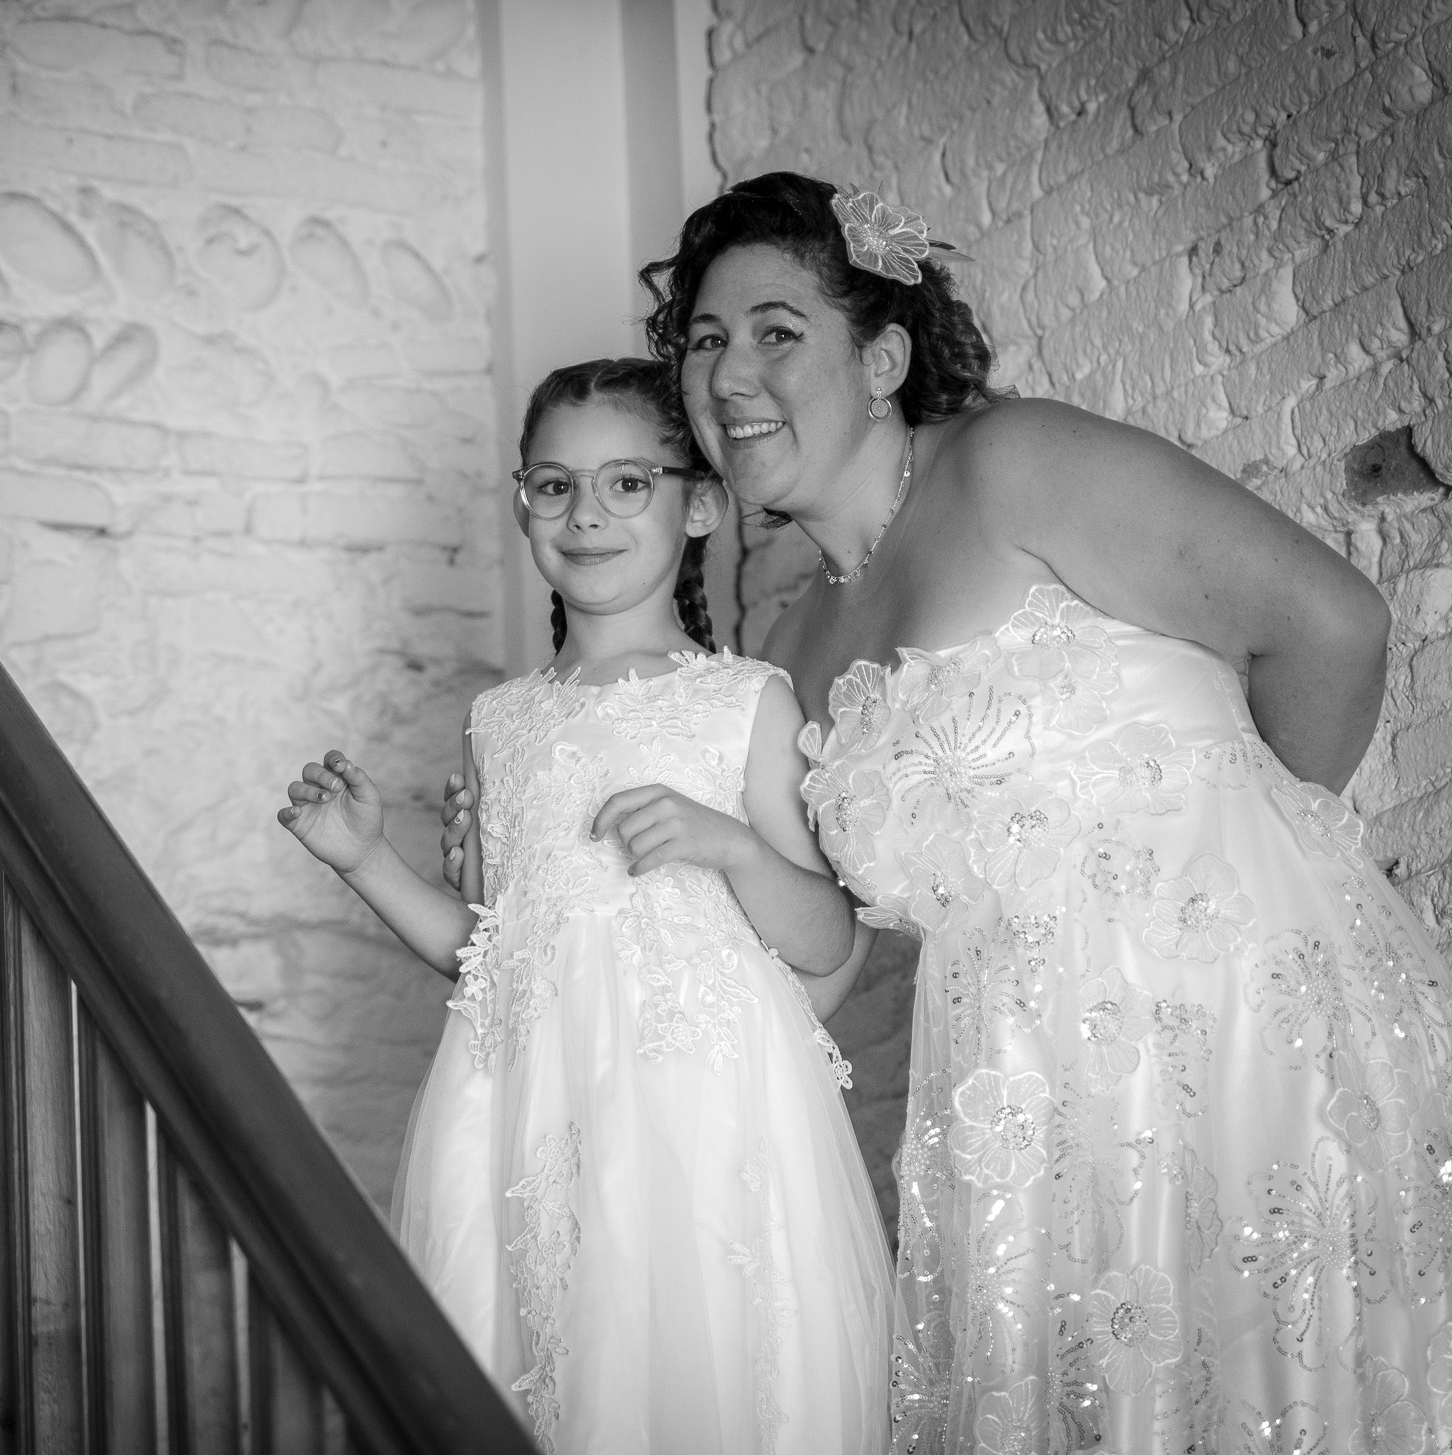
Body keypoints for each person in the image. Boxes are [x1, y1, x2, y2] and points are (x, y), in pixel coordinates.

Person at [442, 171, 1452, 1451]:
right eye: (701, 340)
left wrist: (1239, 897)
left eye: (774, 331)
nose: (729, 373)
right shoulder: (787, 648)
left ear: (881, 359)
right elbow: (789, 959)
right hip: (1011, 1102)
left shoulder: (1012, 463)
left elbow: (1331, 626)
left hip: (1238, 1028)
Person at [280, 357, 895, 1455]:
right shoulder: (498, 718)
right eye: (555, 486)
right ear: (523, 504)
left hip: (698, 1109)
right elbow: (488, 955)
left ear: (697, 505)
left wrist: (729, 846)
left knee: (689, 1362)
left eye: (627, 482)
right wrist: (364, 858)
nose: (587, 513)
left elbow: (827, 939)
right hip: (527, 1105)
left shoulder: (742, 701)